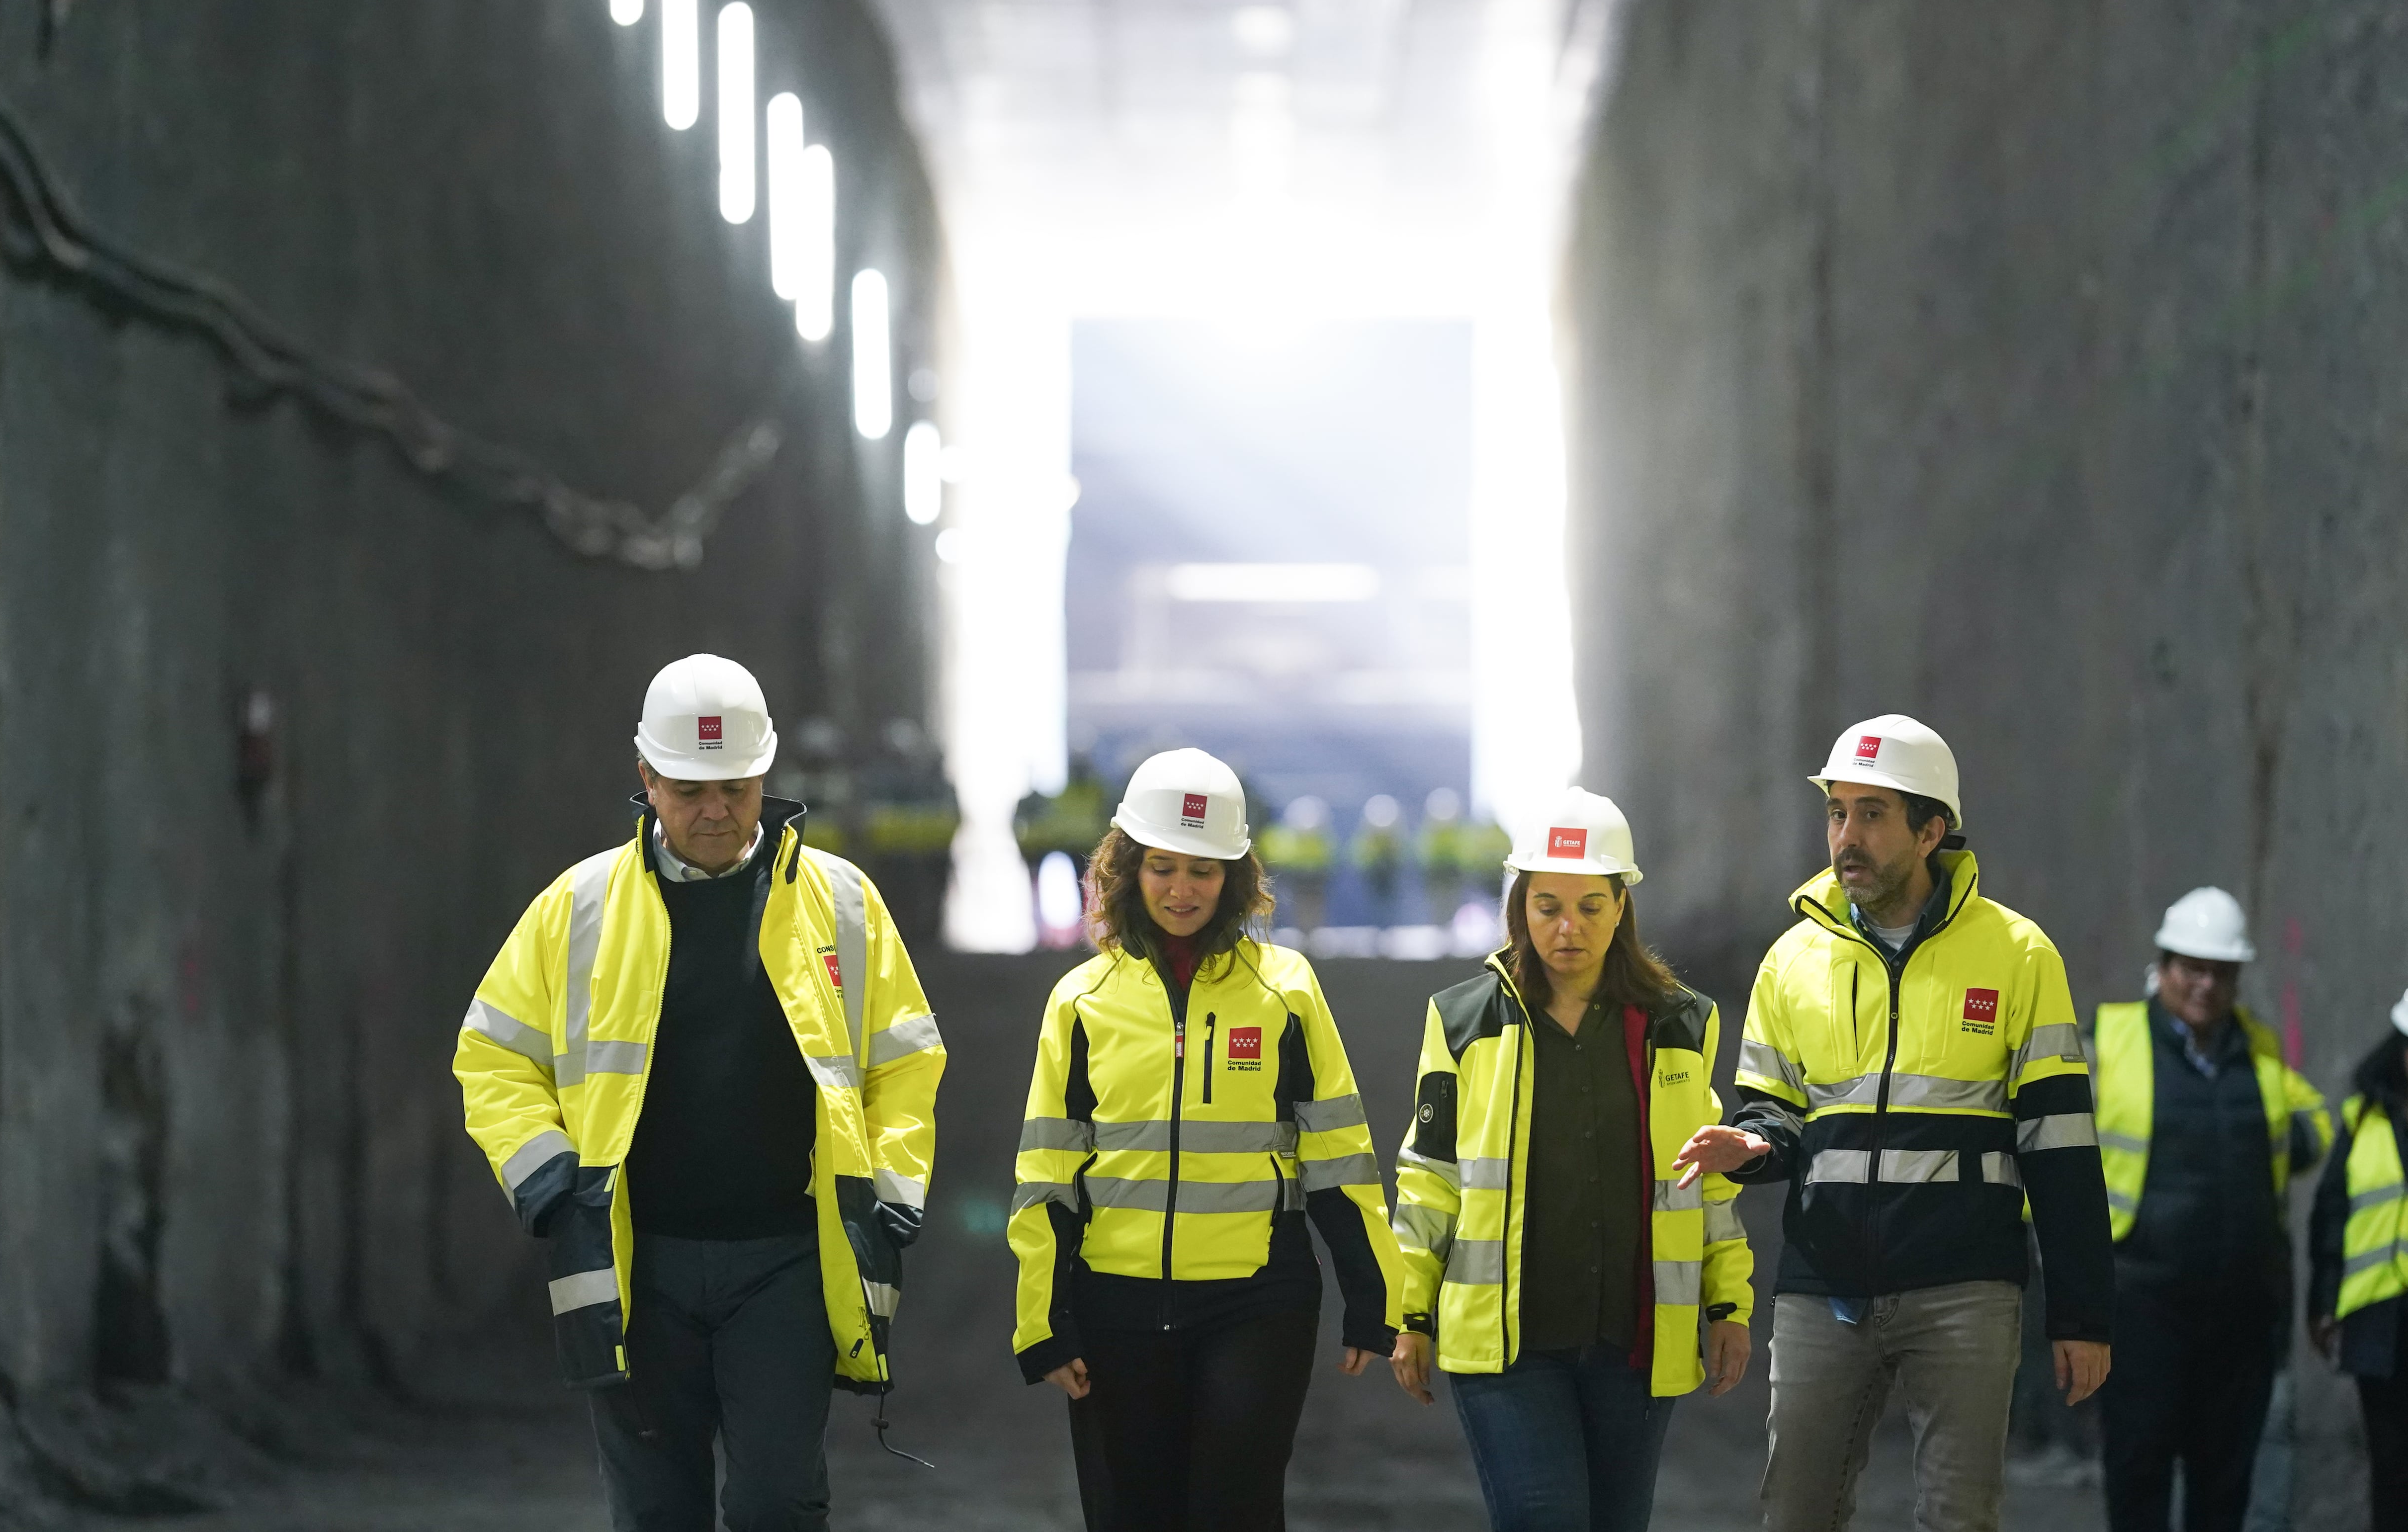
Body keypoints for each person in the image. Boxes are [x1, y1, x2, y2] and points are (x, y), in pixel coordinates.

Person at [455, 654, 945, 1531]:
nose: (715, 809)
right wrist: (548, 1177)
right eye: (689, 789)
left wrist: (893, 1186)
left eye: (736, 786)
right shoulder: (579, 907)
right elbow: (494, 1051)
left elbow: (904, 1058)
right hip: (637, 1259)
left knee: (775, 1501)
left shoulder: (842, 905)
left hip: (789, 1260)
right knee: (655, 1506)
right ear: (646, 779)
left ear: (765, 777)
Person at [1673, 713, 2113, 1532]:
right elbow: (1776, 1111)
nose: (1848, 835)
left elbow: (2059, 1144)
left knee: (1959, 1516)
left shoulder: (2019, 956)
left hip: (1967, 1286)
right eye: (1838, 812)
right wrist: (1754, 1144)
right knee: (1796, 1512)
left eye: (1873, 814)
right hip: (1824, 1283)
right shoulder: (1792, 959)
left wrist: (2083, 1315)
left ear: (1930, 829)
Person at [1009, 748, 1404, 1532]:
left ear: (1236, 876)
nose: (1182, 890)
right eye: (1161, 868)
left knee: (1238, 1511)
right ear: (1127, 868)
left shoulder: (1285, 990)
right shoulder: (1080, 1002)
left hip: (1256, 1302)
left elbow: (1338, 1152)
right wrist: (1042, 1321)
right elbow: (1047, 1174)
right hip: (1114, 1305)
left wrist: (1374, 1292)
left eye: (1204, 870)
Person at [1387, 788, 1755, 1532]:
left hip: (1636, 1340)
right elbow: (1430, 1178)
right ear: (1520, 904)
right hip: (1508, 1343)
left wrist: (1728, 1303)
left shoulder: (1682, 1024)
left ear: (1622, 907)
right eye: (1547, 904)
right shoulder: (1463, 1021)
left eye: (1591, 906)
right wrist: (1411, 1314)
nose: (1568, 927)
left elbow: (1704, 1179)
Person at [2092, 887, 2330, 1532]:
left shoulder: (2258, 1048)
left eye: (2221, 972)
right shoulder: (2107, 1042)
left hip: (2239, 1312)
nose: (2205, 984)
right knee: (2139, 1469)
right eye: (2192, 968)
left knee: (2224, 1481)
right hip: (2142, 1307)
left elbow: (2312, 1122)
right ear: (2163, 966)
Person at [2308, 989, 2408, 1531]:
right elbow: (2330, 1214)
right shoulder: (2364, 1118)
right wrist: (2323, 1303)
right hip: (2379, 1318)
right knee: (2390, 1467)